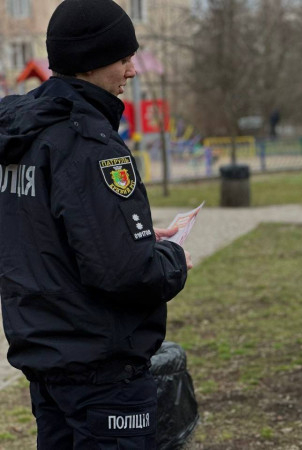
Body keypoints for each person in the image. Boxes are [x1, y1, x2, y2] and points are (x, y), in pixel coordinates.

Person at [0, 0, 192, 448]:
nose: (132, 70)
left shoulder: (22, 136)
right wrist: (172, 256)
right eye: (123, 59)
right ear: (91, 62)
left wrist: (135, 236)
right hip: (103, 376)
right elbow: (124, 272)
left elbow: (48, 238)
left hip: (49, 361)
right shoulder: (90, 144)